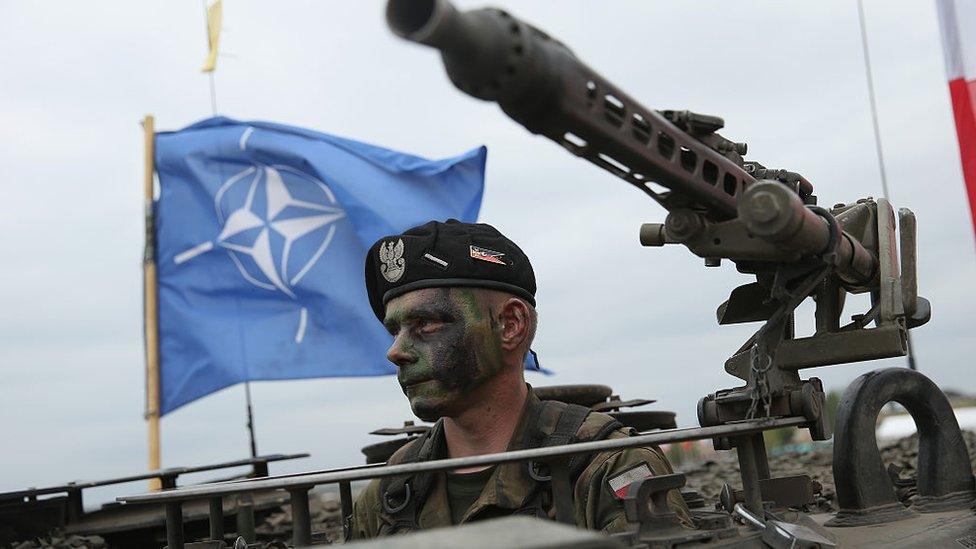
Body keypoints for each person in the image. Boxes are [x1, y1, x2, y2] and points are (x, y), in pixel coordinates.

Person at [350, 219, 690, 539]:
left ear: (510, 325)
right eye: (394, 330)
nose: (395, 351)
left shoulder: (606, 465)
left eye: (425, 323)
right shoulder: (391, 491)